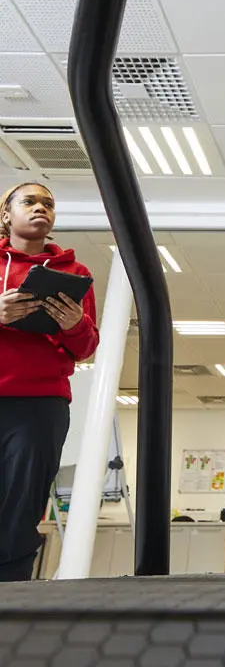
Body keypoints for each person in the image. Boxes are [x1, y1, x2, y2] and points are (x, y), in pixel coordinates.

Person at [0, 182, 99, 581]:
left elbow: (86, 347)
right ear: (6, 214)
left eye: (49, 204)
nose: (41, 208)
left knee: (21, 504)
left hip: (39, 404)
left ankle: (10, 594)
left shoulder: (74, 274)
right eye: (29, 201)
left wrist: (75, 324)